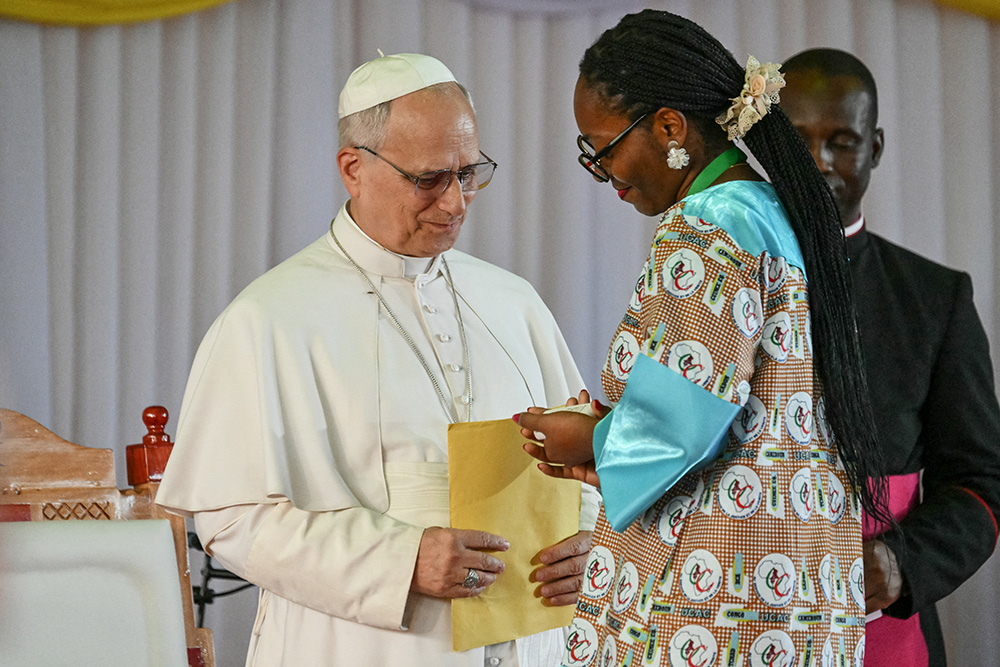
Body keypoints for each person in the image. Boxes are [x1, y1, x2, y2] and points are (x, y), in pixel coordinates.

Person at [155, 52, 600, 667]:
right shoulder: (270, 318)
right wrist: (400, 561)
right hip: (363, 647)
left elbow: (581, 467)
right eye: (428, 179)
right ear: (353, 169)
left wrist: (589, 542)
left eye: (469, 173)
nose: (455, 204)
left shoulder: (514, 301)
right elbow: (229, 519)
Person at [515, 10, 892, 667]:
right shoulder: (783, 215)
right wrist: (618, 429)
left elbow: (682, 418)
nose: (605, 173)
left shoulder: (707, 224)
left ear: (668, 126)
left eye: (603, 149)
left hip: (715, 593)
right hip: (800, 581)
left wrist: (593, 436)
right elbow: (753, 404)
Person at [781, 48, 1000, 666]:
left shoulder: (934, 298)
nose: (819, 163)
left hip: (878, 634)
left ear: (874, 148)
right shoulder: (712, 279)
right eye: (797, 140)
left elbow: (982, 483)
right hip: (728, 617)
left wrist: (903, 565)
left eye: (842, 142)